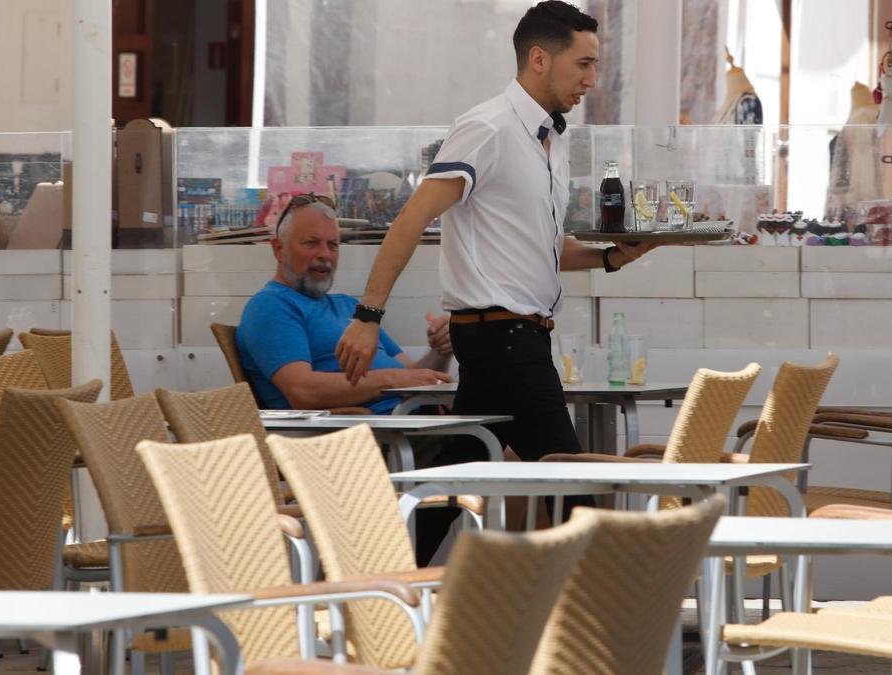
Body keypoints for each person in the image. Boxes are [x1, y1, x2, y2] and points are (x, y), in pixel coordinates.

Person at [335, 1, 658, 477]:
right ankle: (601, 552)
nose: (592, 80)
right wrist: (367, 315)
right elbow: (412, 218)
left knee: (458, 474)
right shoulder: (487, 127)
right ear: (540, 59)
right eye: (584, 64)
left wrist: (610, 258)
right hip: (504, 341)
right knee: (573, 481)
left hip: (512, 338)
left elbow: (539, 248)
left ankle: (393, 551)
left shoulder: (553, 141)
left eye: (596, 65)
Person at [236, 194, 454, 413]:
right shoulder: (272, 306)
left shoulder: (350, 307)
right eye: (311, 243)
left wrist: (441, 349)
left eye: (333, 245)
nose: (324, 255)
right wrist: (393, 380)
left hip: (422, 421)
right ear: (279, 249)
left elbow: (413, 375)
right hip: (375, 435)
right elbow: (303, 392)